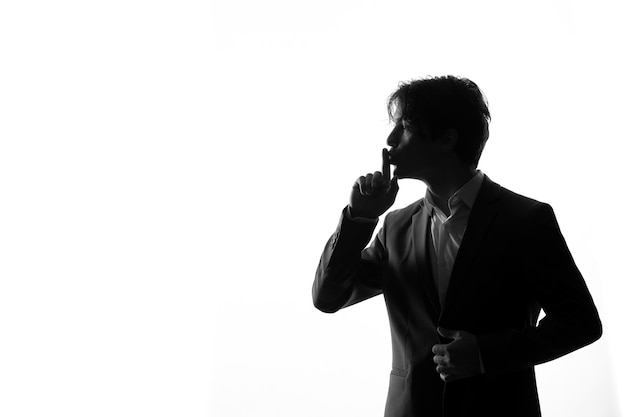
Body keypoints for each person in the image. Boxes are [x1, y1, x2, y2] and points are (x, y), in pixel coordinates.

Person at [312, 76, 602, 417]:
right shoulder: (395, 227)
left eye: (404, 127)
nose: (390, 140)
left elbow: (581, 322)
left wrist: (485, 354)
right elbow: (328, 298)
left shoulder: (526, 219)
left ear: (447, 138)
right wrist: (359, 218)